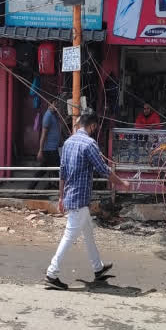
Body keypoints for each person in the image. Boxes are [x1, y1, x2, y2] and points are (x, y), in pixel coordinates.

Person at [45, 111, 130, 290]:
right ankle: (52, 273)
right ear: (92, 126)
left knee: (88, 233)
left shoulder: (68, 142)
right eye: (95, 128)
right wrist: (121, 183)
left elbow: (63, 171)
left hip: (71, 196)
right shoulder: (90, 144)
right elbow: (103, 170)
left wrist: (61, 196)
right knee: (69, 236)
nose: (95, 131)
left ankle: (98, 269)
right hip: (79, 199)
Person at [31, 101, 63, 190]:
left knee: (44, 169)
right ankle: (60, 189)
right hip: (49, 149)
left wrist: (60, 142)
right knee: (57, 169)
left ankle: (31, 188)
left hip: (53, 148)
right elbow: (43, 134)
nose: (56, 106)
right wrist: (40, 150)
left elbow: (57, 130)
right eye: (55, 104)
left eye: (57, 105)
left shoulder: (54, 115)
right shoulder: (48, 115)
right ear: (50, 104)